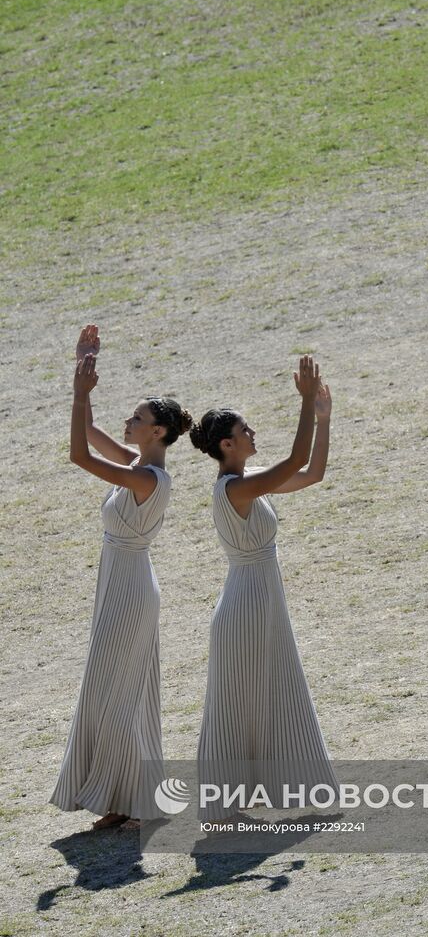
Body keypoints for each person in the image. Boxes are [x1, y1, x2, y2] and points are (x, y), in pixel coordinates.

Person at [50, 325, 192, 830]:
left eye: (138, 418)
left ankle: (136, 800)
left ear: (158, 432)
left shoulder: (147, 477)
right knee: (113, 688)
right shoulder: (136, 462)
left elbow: (79, 455)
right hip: (120, 583)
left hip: (130, 590)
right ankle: (122, 796)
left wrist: (81, 397)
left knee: (123, 691)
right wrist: (80, 379)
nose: (129, 422)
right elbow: (91, 437)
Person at [190, 356, 335, 819]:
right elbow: (295, 459)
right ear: (227, 444)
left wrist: (323, 420)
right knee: (245, 702)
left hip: (259, 600)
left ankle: (295, 794)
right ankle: (231, 803)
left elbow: (311, 473)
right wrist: (306, 402)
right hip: (247, 605)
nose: (254, 433)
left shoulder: (249, 485)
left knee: (274, 693)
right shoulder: (236, 488)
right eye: (246, 430)